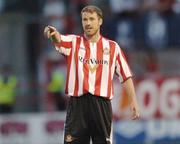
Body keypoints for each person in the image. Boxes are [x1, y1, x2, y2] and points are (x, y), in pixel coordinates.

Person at [44, 5, 140, 144]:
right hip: (78, 105)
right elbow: (59, 39)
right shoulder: (74, 42)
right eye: (84, 20)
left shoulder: (112, 47)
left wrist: (133, 100)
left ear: (100, 21)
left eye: (91, 19)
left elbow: (125, 75)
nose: (88, 23)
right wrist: (53, 33)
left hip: (101, 104)